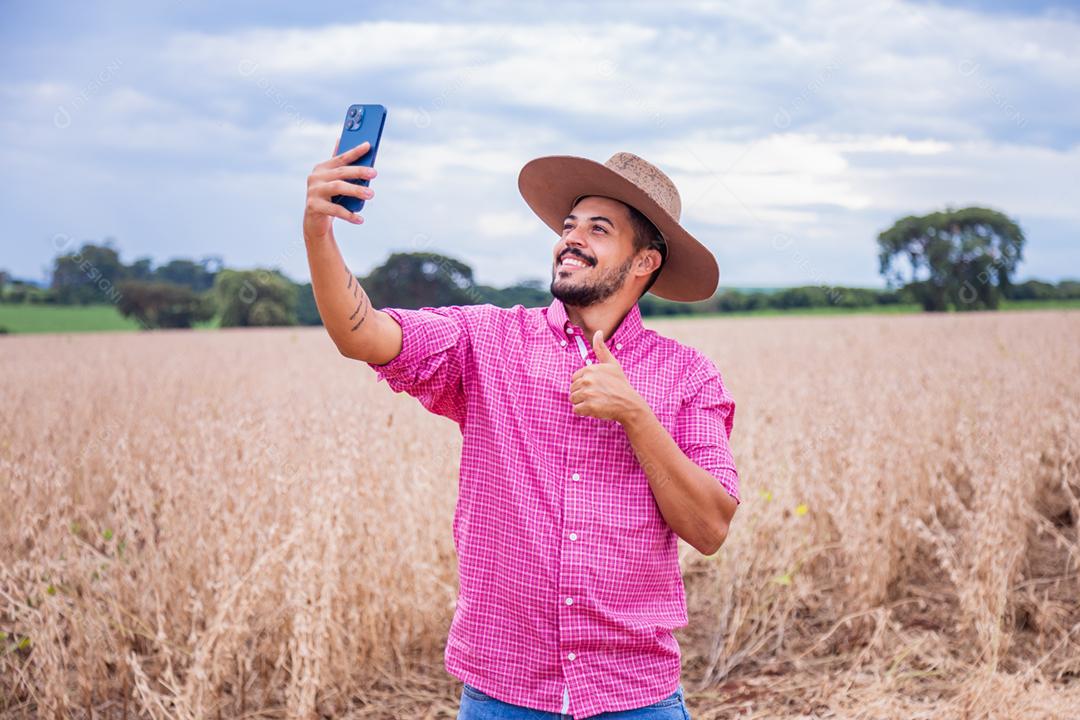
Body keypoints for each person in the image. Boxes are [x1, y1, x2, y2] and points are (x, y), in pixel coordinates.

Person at [303, 145, 740, 720]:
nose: (571, 239)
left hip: (634, 695)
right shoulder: (487, 341)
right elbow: (364, 336)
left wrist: (636, 416)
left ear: (643, 263)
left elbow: (709, 527)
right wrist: (318, 234)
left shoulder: (688, 375)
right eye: (568, 226)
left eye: (599, 229)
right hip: (502, 694)